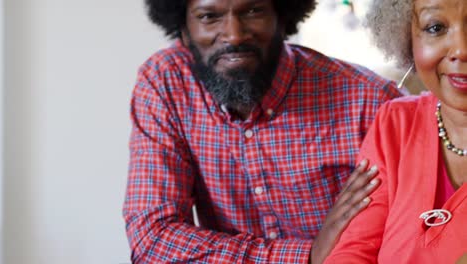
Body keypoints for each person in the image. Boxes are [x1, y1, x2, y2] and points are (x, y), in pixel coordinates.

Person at [123, 0, 402, 263]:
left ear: (282, 16)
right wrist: (305, 256)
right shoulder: (166, 82)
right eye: (209, 16)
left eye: (253, 11)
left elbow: (411, 237)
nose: (233, 35)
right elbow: (151, 238)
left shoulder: (371, 102)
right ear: (183, 29)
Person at [324, 0, 467, 263]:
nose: (461, 49)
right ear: (408, 39)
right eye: (435, 27)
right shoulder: (396, 122)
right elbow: (353, 251)